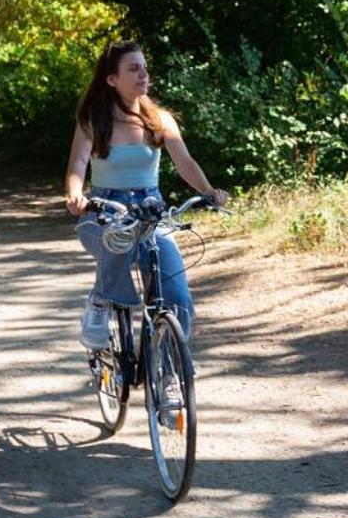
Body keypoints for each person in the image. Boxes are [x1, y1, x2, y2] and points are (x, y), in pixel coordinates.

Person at [64, 40, 229, 351]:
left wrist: (208, 193)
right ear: (112, 79)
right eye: (134, 68)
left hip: (151, 210)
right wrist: (75, 194)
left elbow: (185, 163)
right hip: (105, 208)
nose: (143, 74)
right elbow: (77, 164)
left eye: (144, 67)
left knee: (176, 295)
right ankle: (100, 302)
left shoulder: (160, 119)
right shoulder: (94, 120)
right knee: (118, 241)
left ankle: (167, 373)